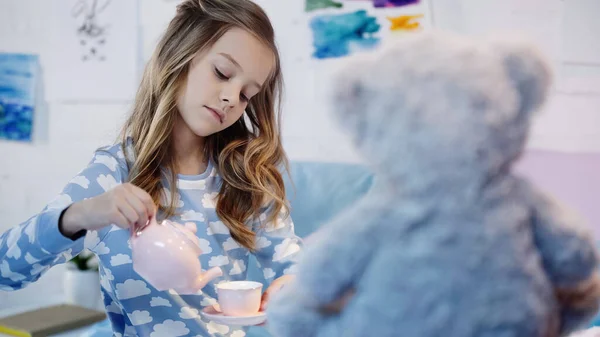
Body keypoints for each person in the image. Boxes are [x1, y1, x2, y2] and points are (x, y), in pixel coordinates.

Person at [0, 0, 302, 335]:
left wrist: (293, 285)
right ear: (179, 55)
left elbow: (295, 268)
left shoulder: (245, 177)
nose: (232, 98)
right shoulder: (112, 174)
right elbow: (6, 270)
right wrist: (81, 215)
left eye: (247, 94)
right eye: (222, 73)